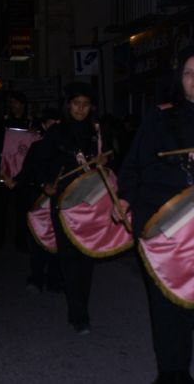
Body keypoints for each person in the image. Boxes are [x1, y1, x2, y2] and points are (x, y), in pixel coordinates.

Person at [116, 46, 194, 384]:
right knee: (166, 305)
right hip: (165, 227)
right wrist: (124, 199)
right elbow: (133, 165)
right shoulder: (160, 117)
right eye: (190, 73)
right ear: (180, 79)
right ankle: (173, 373)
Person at [38, 82, 109, 335]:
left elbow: (111, 165)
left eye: (86, 104)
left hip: (90, 203)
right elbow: (39, 161)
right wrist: (46, 184)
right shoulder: (57, 133)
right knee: (69, 257)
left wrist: (104, 162)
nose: (81, 109)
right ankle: (77, 313)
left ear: (91, 107)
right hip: (64, 202)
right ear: (69, 105)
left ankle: (82, 307)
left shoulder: (97, 133)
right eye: (76, 103)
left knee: (86, 258)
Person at [4, 107, 63, 293]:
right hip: (39, 199)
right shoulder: (37, 147)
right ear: (44, 126)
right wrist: (16, 182)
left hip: (61, 200)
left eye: (58, 123)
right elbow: (28, 170)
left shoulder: (67, 147)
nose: (55, 127)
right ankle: (36, 277)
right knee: (38, 240)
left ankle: (54, 279)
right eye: (51, 123)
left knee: (59, 240)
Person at [0, 90, 32, 251]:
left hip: (22, 173)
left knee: (22, 210)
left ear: (23, 105)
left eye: (16, 102)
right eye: (11, 103)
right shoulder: (3, 124)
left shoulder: (31, 124)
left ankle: (21, 242)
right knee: (0, 209)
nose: (13, 106)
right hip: (5, 170)